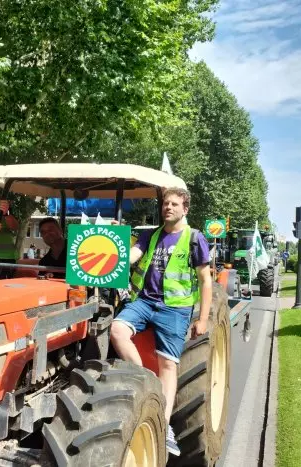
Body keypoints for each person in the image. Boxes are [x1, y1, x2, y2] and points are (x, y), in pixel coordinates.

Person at [109, 187, 211, 457]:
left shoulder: (194, 238)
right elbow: (134, 255)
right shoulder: (151, 234)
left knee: (168, 363)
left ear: (185, 209)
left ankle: (163, 424)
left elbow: (205, 280)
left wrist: (202, 319)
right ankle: (145, 381)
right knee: (117, 330)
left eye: (174, 204)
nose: (168, 208)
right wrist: (116, 252)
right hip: (144, 301)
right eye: (165, 203)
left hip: (175, 309)